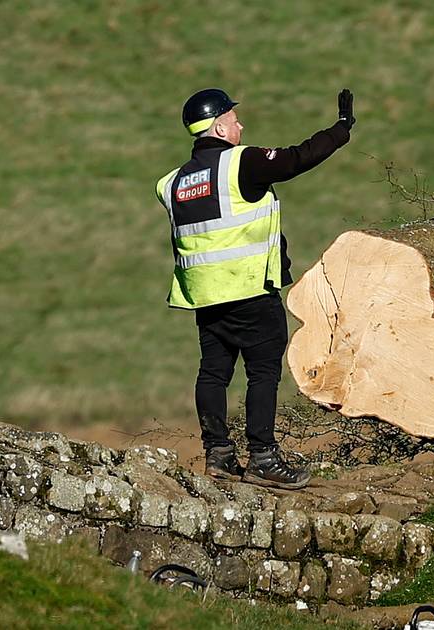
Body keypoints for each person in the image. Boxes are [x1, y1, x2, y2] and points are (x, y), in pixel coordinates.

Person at [154, 87, 355, 489]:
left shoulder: (170, 184)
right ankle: (263, 457)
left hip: (206, 297)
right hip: (249, 291)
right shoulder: (240, 163)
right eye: (233, 119)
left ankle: (219, 455)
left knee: (213, 373)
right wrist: (341, 129)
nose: (240, 125)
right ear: (218, 127)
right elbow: (298, 158)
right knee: (262, 373)